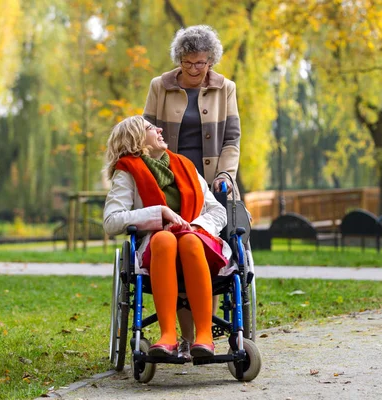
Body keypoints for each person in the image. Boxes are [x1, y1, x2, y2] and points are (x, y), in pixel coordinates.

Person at [143, 25, 241, 358]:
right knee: (173, 246)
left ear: (211, 60)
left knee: (207, 247)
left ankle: (203, 334)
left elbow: (231, 139)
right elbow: (146, 136)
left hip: (212, 181)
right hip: (171, 181)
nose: (195, 69)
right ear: (179, 59)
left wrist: (225, 174)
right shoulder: (161, 86)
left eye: (201, 62)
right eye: (188, 62)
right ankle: (183, 339)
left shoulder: (225, 88)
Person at [103, 115, 230, 358]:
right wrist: (159, 213)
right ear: (136, 139)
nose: (160, 129)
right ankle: (168, 335)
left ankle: (204, 336)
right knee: (164, 239)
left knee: (189, 239)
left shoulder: (185, 165)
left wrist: (193, 226)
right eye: (151, 128)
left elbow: (217, 211)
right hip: (159, 249)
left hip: (198, 242)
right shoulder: (127, 172)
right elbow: (111, 221)